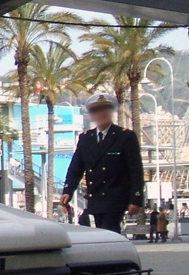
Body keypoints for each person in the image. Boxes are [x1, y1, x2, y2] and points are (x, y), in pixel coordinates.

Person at [60, 93, 144, 233]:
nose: (101, 113)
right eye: (96, 111)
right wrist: (68, 191)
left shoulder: (124, 136)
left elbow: (135, 170)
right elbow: (76, 168)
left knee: (109, 231)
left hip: (115, 199)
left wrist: (135, 199)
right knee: (101, 232)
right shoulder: (86, 138)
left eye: (105, 109)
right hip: (95, 198)